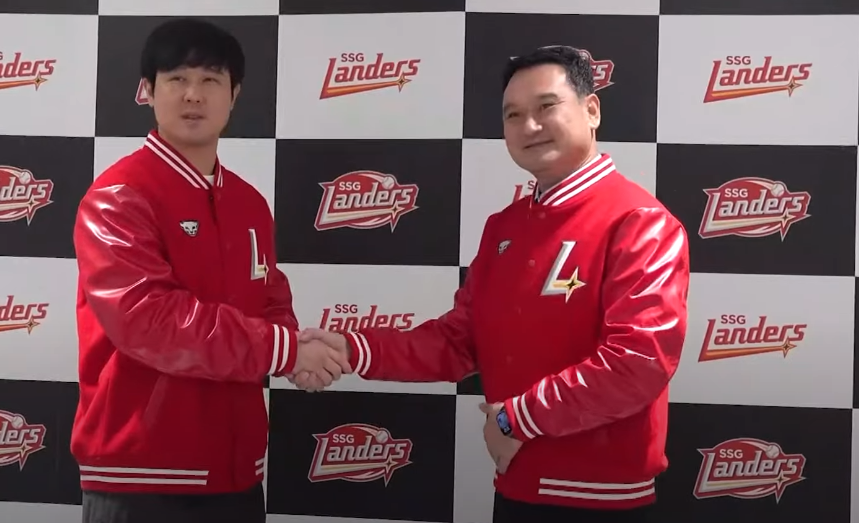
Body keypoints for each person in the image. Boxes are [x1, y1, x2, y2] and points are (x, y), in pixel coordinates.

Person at [293, 46, 689, 523]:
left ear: (592, 110)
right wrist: (353, 349)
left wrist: (513, 419)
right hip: (515, 486)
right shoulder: (504, 226)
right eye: (513, 115)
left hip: (601, 499)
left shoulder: (639, 220)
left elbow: (639, 362)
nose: (529, 126)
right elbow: (458, 341)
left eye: (546, 107)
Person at [71, 18, 349, 523]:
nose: (193, 94)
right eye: (177, 78)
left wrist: (296, 354)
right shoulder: (118, 196)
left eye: (210, 80)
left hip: (236, 470)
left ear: (234, 95)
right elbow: (149, 319)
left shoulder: (249, 202)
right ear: (147, 91)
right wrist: (286, 350)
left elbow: (270, 299)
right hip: (141, 474)